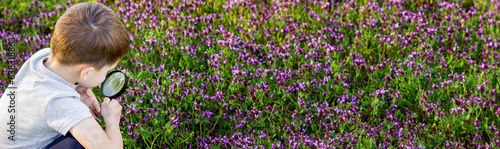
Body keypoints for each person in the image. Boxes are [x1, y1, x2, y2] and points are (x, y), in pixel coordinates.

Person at [0, 2, 130, 148]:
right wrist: (112, 121)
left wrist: (75, 90)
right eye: (107, 71)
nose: (107, 74)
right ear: (86, 73)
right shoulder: (60, 103)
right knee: (76, 144)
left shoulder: (42, 57)